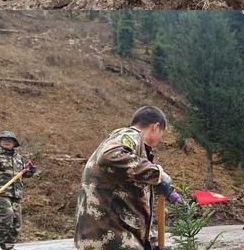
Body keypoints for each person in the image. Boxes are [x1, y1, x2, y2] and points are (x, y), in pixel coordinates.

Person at [74, 106, 181, 250]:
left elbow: (134, 208)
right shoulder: (130, 135)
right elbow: (110, 155)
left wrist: (152, 244)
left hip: (110, 235)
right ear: (155, 127)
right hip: (108, 236)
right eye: (162, 133)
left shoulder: (134, 152)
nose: (161, 139)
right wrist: (157, 173)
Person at [0, 131, 37, 250]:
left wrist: (30, 171)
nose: (7, 141)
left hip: (16, 193)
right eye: (4, 139)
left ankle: (7, 245)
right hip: (0, 192)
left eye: (10, 140)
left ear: (14, 143)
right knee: (6, 217)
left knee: (16, 222)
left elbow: (22, 174)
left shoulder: (18, 157)